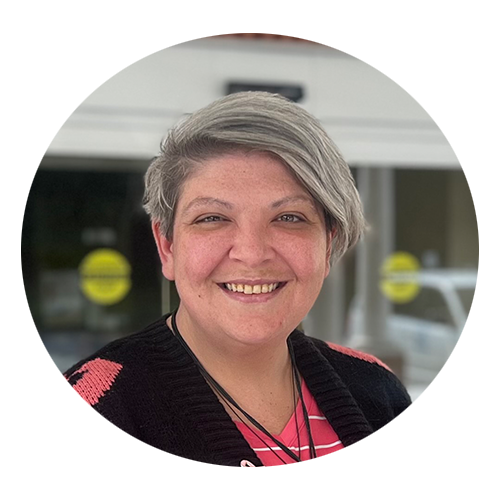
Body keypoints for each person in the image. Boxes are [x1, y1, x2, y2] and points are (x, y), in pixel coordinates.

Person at [21, 91, 432, 467]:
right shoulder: (88, 418)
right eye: (212, 218)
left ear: (328, 246)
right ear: (167, 246)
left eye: (289, 217)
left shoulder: (376, 389)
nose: (252, 253)